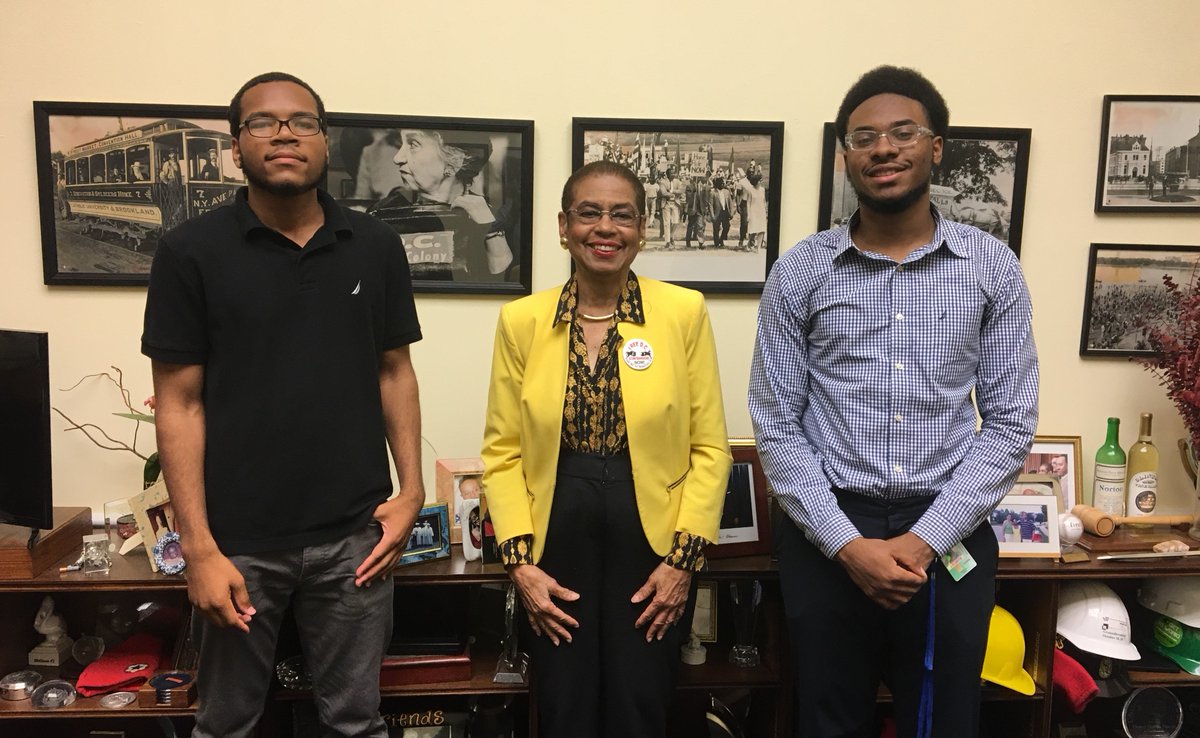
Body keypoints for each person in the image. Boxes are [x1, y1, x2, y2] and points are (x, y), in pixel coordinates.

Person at [748, 65, 1038, 738]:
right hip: (827, 531)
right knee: (827, 719)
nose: (883, 148)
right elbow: (777, 425)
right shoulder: (800, 271)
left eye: (902, 132)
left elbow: (1011, 421)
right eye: (864, 137)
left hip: (948, 528)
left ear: (935, 147)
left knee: (944, 719)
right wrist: (847, 545)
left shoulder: (990, 266)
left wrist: (924, 540)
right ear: (845, 156)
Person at [141, 71, 425, 738]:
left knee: (356, 722)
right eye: (263, 122)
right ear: (236, 147)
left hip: (355, 541)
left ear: (324, 141)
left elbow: (395, 372)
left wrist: (411, 492)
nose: (284, 134)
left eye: (302, 122)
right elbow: (178, 404)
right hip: (237, 545)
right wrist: (198, 550)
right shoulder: (190, 252)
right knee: (227, 724)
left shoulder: (375, 245)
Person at [481, 160, 731, 738]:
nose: (605, 227)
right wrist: (520, 565)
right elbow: (502, 450)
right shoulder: (522, 320)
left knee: (639, 702)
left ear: (642, 229)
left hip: (653, 539)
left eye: (622, 215)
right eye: (589, 213)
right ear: (563, 226)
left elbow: (709, 447)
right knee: (563, 704)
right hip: (555, 531)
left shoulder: (682, 312)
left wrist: (682, 563)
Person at [369, 129, 513, 283]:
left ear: (454, 161)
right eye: (401, 144)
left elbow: (501, 281)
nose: (397, 158)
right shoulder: (383, 213)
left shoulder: (491, 215)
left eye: (413, 144)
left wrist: (489, 228)